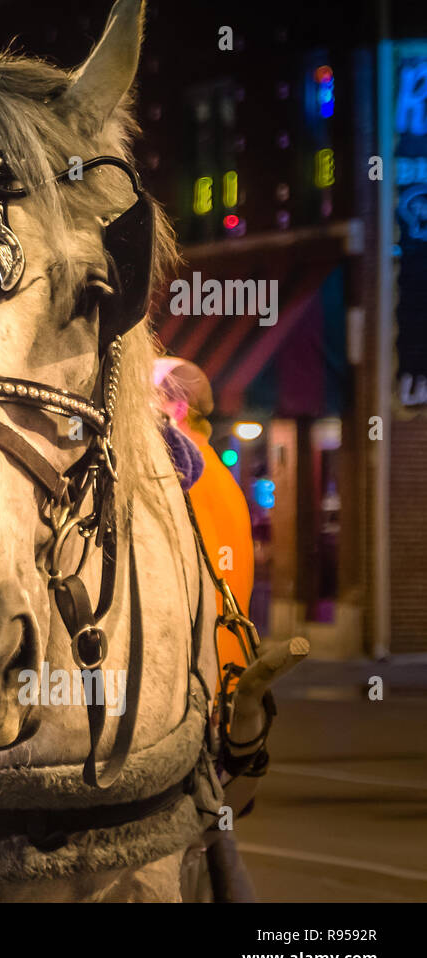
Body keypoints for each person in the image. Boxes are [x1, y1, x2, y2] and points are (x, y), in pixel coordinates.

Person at [154, 357, 259, 902]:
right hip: (224, 698)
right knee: (213, 847)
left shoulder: (181, 476)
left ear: (174, 407)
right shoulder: (224, 480)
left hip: (189, 702)